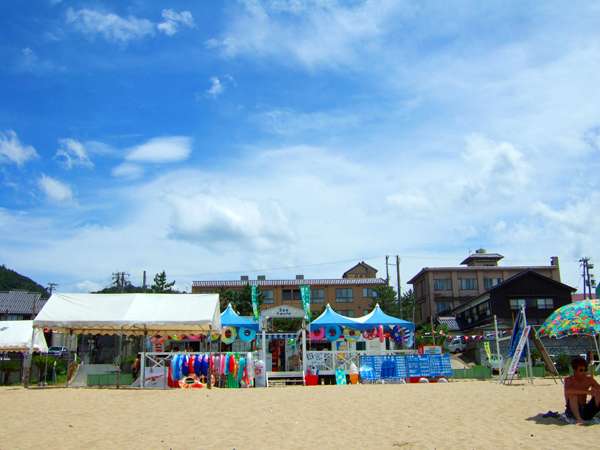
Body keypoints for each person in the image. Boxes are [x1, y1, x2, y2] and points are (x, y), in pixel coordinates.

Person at [564, 357, 600, 424]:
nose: (583, 372)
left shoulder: (589, 380)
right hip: (572, 411)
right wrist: (587, 392)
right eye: (581, 370)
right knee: (573, 396)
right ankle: (579, 419)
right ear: (574, 370)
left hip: (585, 410)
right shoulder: (569, 380)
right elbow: (567, 391)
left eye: (585, 370)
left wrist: (595, 390)